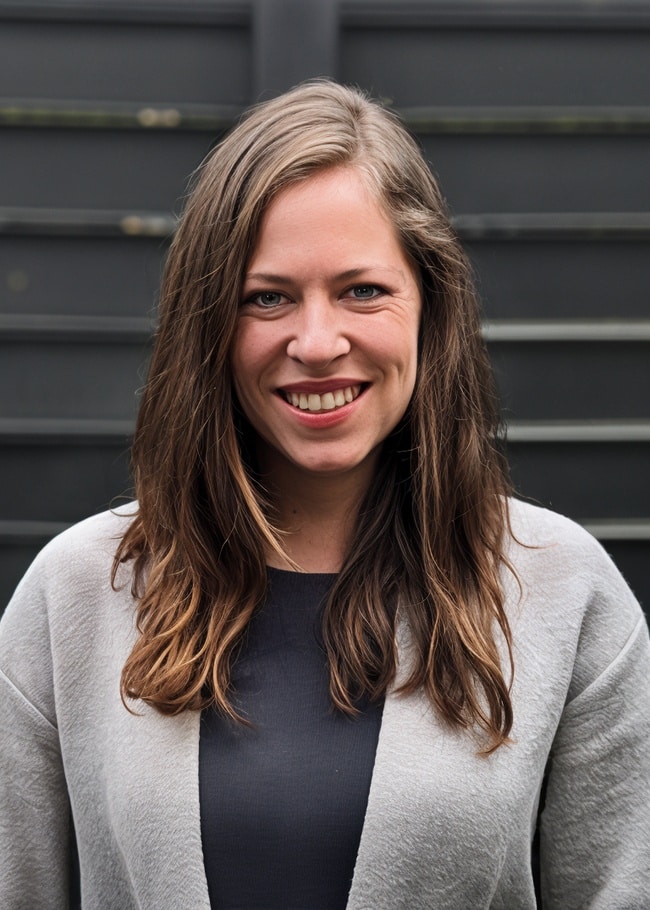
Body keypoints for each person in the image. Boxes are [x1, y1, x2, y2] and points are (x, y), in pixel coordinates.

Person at [1, 80, 648, 910]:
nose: (316, 342)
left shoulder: (565, 593)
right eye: (267, 297)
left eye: (362, 290)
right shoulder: (75, 598)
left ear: (430, 305)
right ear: (209, 329)